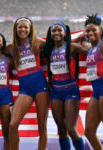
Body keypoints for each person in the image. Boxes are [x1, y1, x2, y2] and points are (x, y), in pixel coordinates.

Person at [5, 17, 50, 150]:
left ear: (30, 29)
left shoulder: (37, 42)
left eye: (26, 27)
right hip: (25, 89)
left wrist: (79, 40)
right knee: (13, 125)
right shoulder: (10, 48)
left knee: (42, 125)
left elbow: (59, 45)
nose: (23, 29)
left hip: (41, 86)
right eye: (20, 27)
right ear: (16, 29)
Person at [43, 22, 88, 150]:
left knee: (71, 129)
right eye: (54, 31)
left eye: (59, 30)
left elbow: (92, 53)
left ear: (65, 33)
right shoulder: (48, 50)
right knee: (62, 130)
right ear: (50, 34)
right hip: (56, 92)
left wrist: (88, 42)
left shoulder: (72, 47)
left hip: (71, 90)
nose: (56, 33)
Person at [76, 14, 103, 150]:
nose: (90, 32)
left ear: (101, 31)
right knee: (89, 132)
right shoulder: (89, 48)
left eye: (93, 30)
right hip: (96, 92)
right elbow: (69, 44)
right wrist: (82, 36)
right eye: (88, 30)